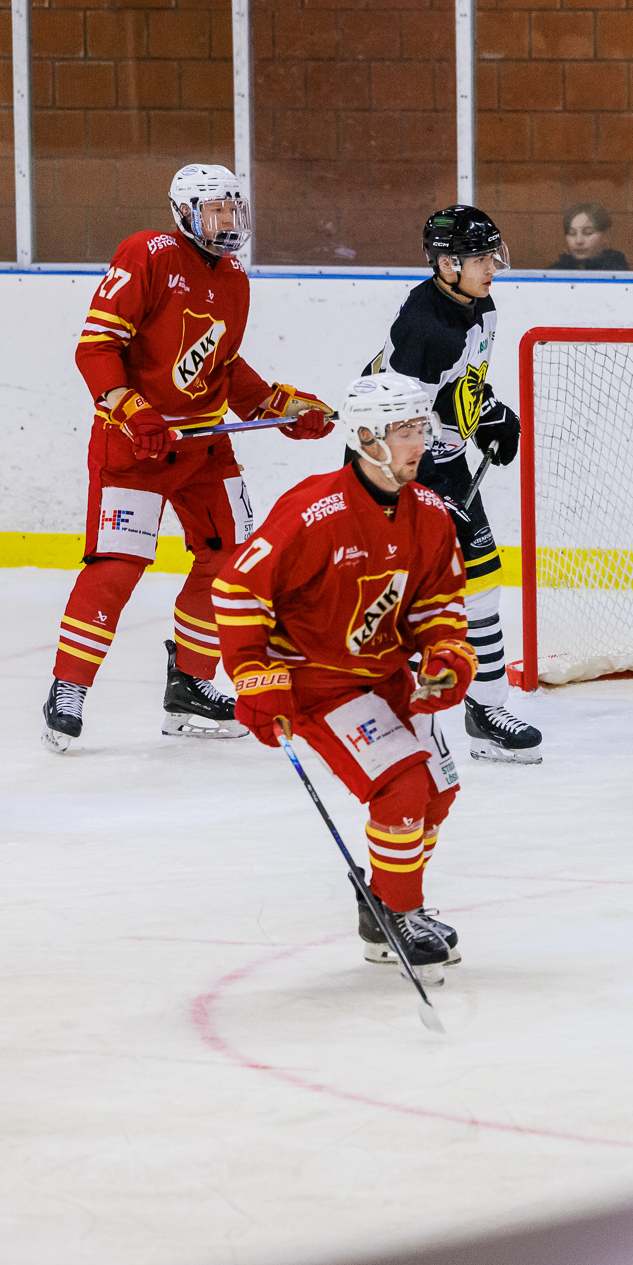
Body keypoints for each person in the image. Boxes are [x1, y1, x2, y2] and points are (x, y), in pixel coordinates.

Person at [41, 163, 333, 754]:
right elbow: (96, 347)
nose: (226, 221)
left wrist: (283, 406)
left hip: (204, 445)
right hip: (135, 445)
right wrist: (131, 409)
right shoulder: (147, 253)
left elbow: (224, 366)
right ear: (183, 213)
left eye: (232, 208)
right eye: (213, 210)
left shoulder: (235, 277)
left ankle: (191, 686)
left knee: (230, 560)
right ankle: (68, 688)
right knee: (116, 568)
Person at [218, 373, 476, 977]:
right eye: (405, 431)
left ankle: (384, 906)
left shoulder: (430, 513)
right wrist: (254, 675)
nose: (420, 443)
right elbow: (237, 588)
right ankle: (398, 914)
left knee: (436, 793)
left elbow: (438, 602)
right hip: (318, 681)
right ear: (366, 438)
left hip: (387, 675)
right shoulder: (313, 511)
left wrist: (445, 656)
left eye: (422, 428)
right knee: (402, 788)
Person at [376, 204, 542, 763]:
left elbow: (461, 384)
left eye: (492, 255)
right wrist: (426, 493)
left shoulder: (482, 305)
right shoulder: (422, 325)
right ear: (447, 264)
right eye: (479, 258)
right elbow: (398, 420)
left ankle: (486, 711)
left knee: (484, 584)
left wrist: (488, 414)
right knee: (399, 594)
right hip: (397, 469)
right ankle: (380, 706)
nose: (491, 267)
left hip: (443, 461)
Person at [550, 201, 629, 271]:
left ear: (605, 235)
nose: (579, 241)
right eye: (572, 233)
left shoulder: (618, 273)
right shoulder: (555, 274)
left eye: (587, 233)